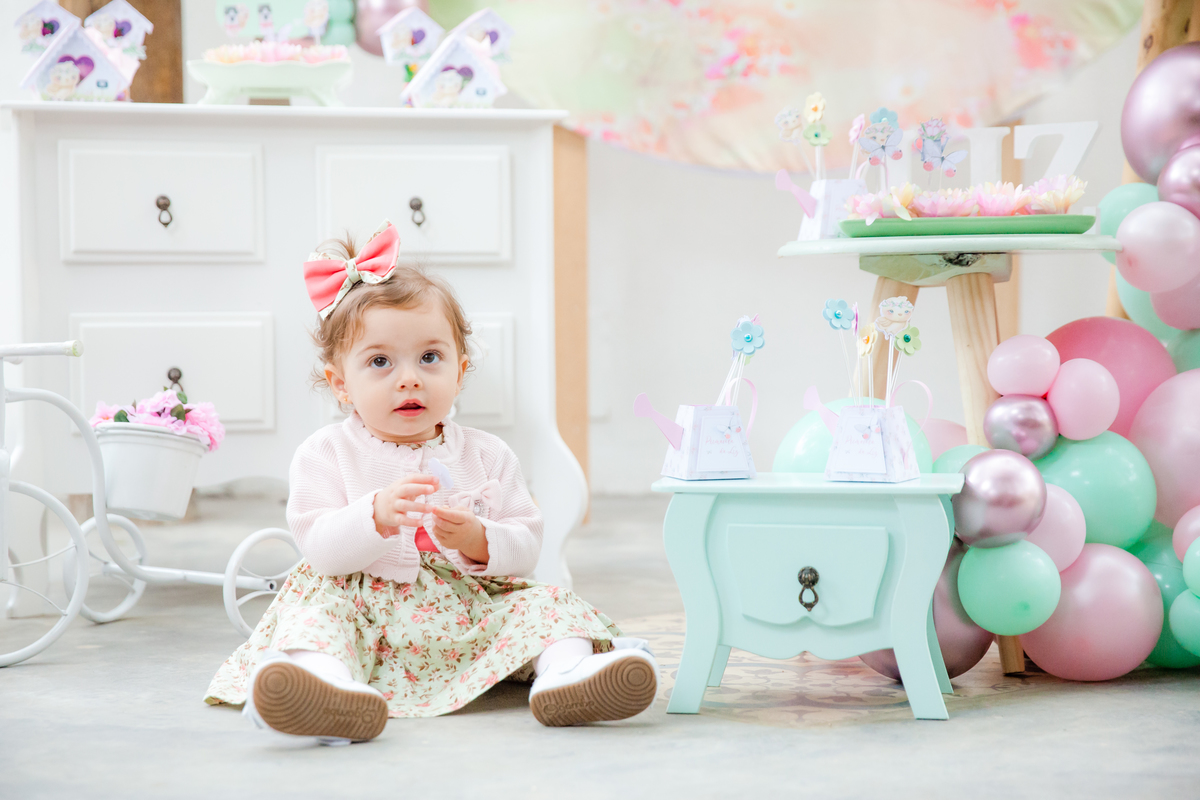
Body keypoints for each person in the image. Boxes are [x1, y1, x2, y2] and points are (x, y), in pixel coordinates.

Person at [204, 221, 658, 743]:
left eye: (430, 357)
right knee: (312, 620)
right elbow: (320, 549)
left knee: (549, 604)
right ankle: (323, 687)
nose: (410, 378)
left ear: (459, 372)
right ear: (340, 384)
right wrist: (372, 516)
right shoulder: (325, 453)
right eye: (380, 361)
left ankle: (565, 674)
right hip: (362, 610)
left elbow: (527, 543)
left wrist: (479, 539)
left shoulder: (487, 454)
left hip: (464, 612)